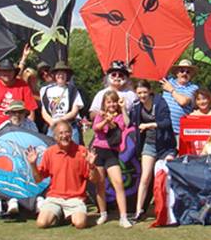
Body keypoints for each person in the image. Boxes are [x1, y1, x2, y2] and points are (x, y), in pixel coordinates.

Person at [27, 121, 97, 229]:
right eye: (60, 133)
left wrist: (92, 166)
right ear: (55, 137)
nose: (64, 136)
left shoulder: (82, 151)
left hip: (75, 199)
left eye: (67, 132)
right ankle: (61, 215)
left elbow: (95, 180)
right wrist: (33, 165)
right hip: (55, 198)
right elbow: (38, 179)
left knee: (80, 224)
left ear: (71, 133)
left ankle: (67, 215)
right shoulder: (49, 152)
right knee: (41, 223)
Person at [130, 80, 175, 223]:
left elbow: (167, 122)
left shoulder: (160, 102)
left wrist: (150, 124)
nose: (142, 95)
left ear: (149, 91)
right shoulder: (137, 107)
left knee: (163, 176)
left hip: (165, 145)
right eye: (139, 93)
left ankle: (168, 208)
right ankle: (139, 210)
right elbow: (130, 123)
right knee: (145, 177)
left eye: (144, 92)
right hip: (149, 144)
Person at [90, 90, 132, 227]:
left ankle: (123, 217)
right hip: (99, 151)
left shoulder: (119, 116)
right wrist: (104, 121)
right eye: (109, 102)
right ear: (104, 104)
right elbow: (96, 128)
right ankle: (103, 213)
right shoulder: (100, 115)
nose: (112, 104)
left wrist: (122, 109)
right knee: (100, 184)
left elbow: (124, 125)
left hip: (112, 153)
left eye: (114, 101)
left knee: (118, 183)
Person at [0, 57, 37, 129]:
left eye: (9, 71)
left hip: (18, 128)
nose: (6, 73)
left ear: (14, 72)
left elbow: (31, 109)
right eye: (3, 71)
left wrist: (29, 128)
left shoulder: (23, 86)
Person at [40, 61, 84, 142]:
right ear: (54, 75)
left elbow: (74, 111)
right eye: (58, 73)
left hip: (70, 126)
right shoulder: (46, 90)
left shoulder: (73, 90)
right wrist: (52, 123)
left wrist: (60, 120)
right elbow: (44, 111)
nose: (60, 76)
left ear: (67, 75)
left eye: (63, 73)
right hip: (53, 127)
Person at [160, 59, 199, 137]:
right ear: (177, 73)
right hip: (163, 128)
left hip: (179, 132)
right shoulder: (168, 81)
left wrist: (171, 89)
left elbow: (183, 102)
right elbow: (159, 69)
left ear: (191, 75)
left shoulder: (193, 88)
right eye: (182, 71)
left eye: (188, 72)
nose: (184, 73)